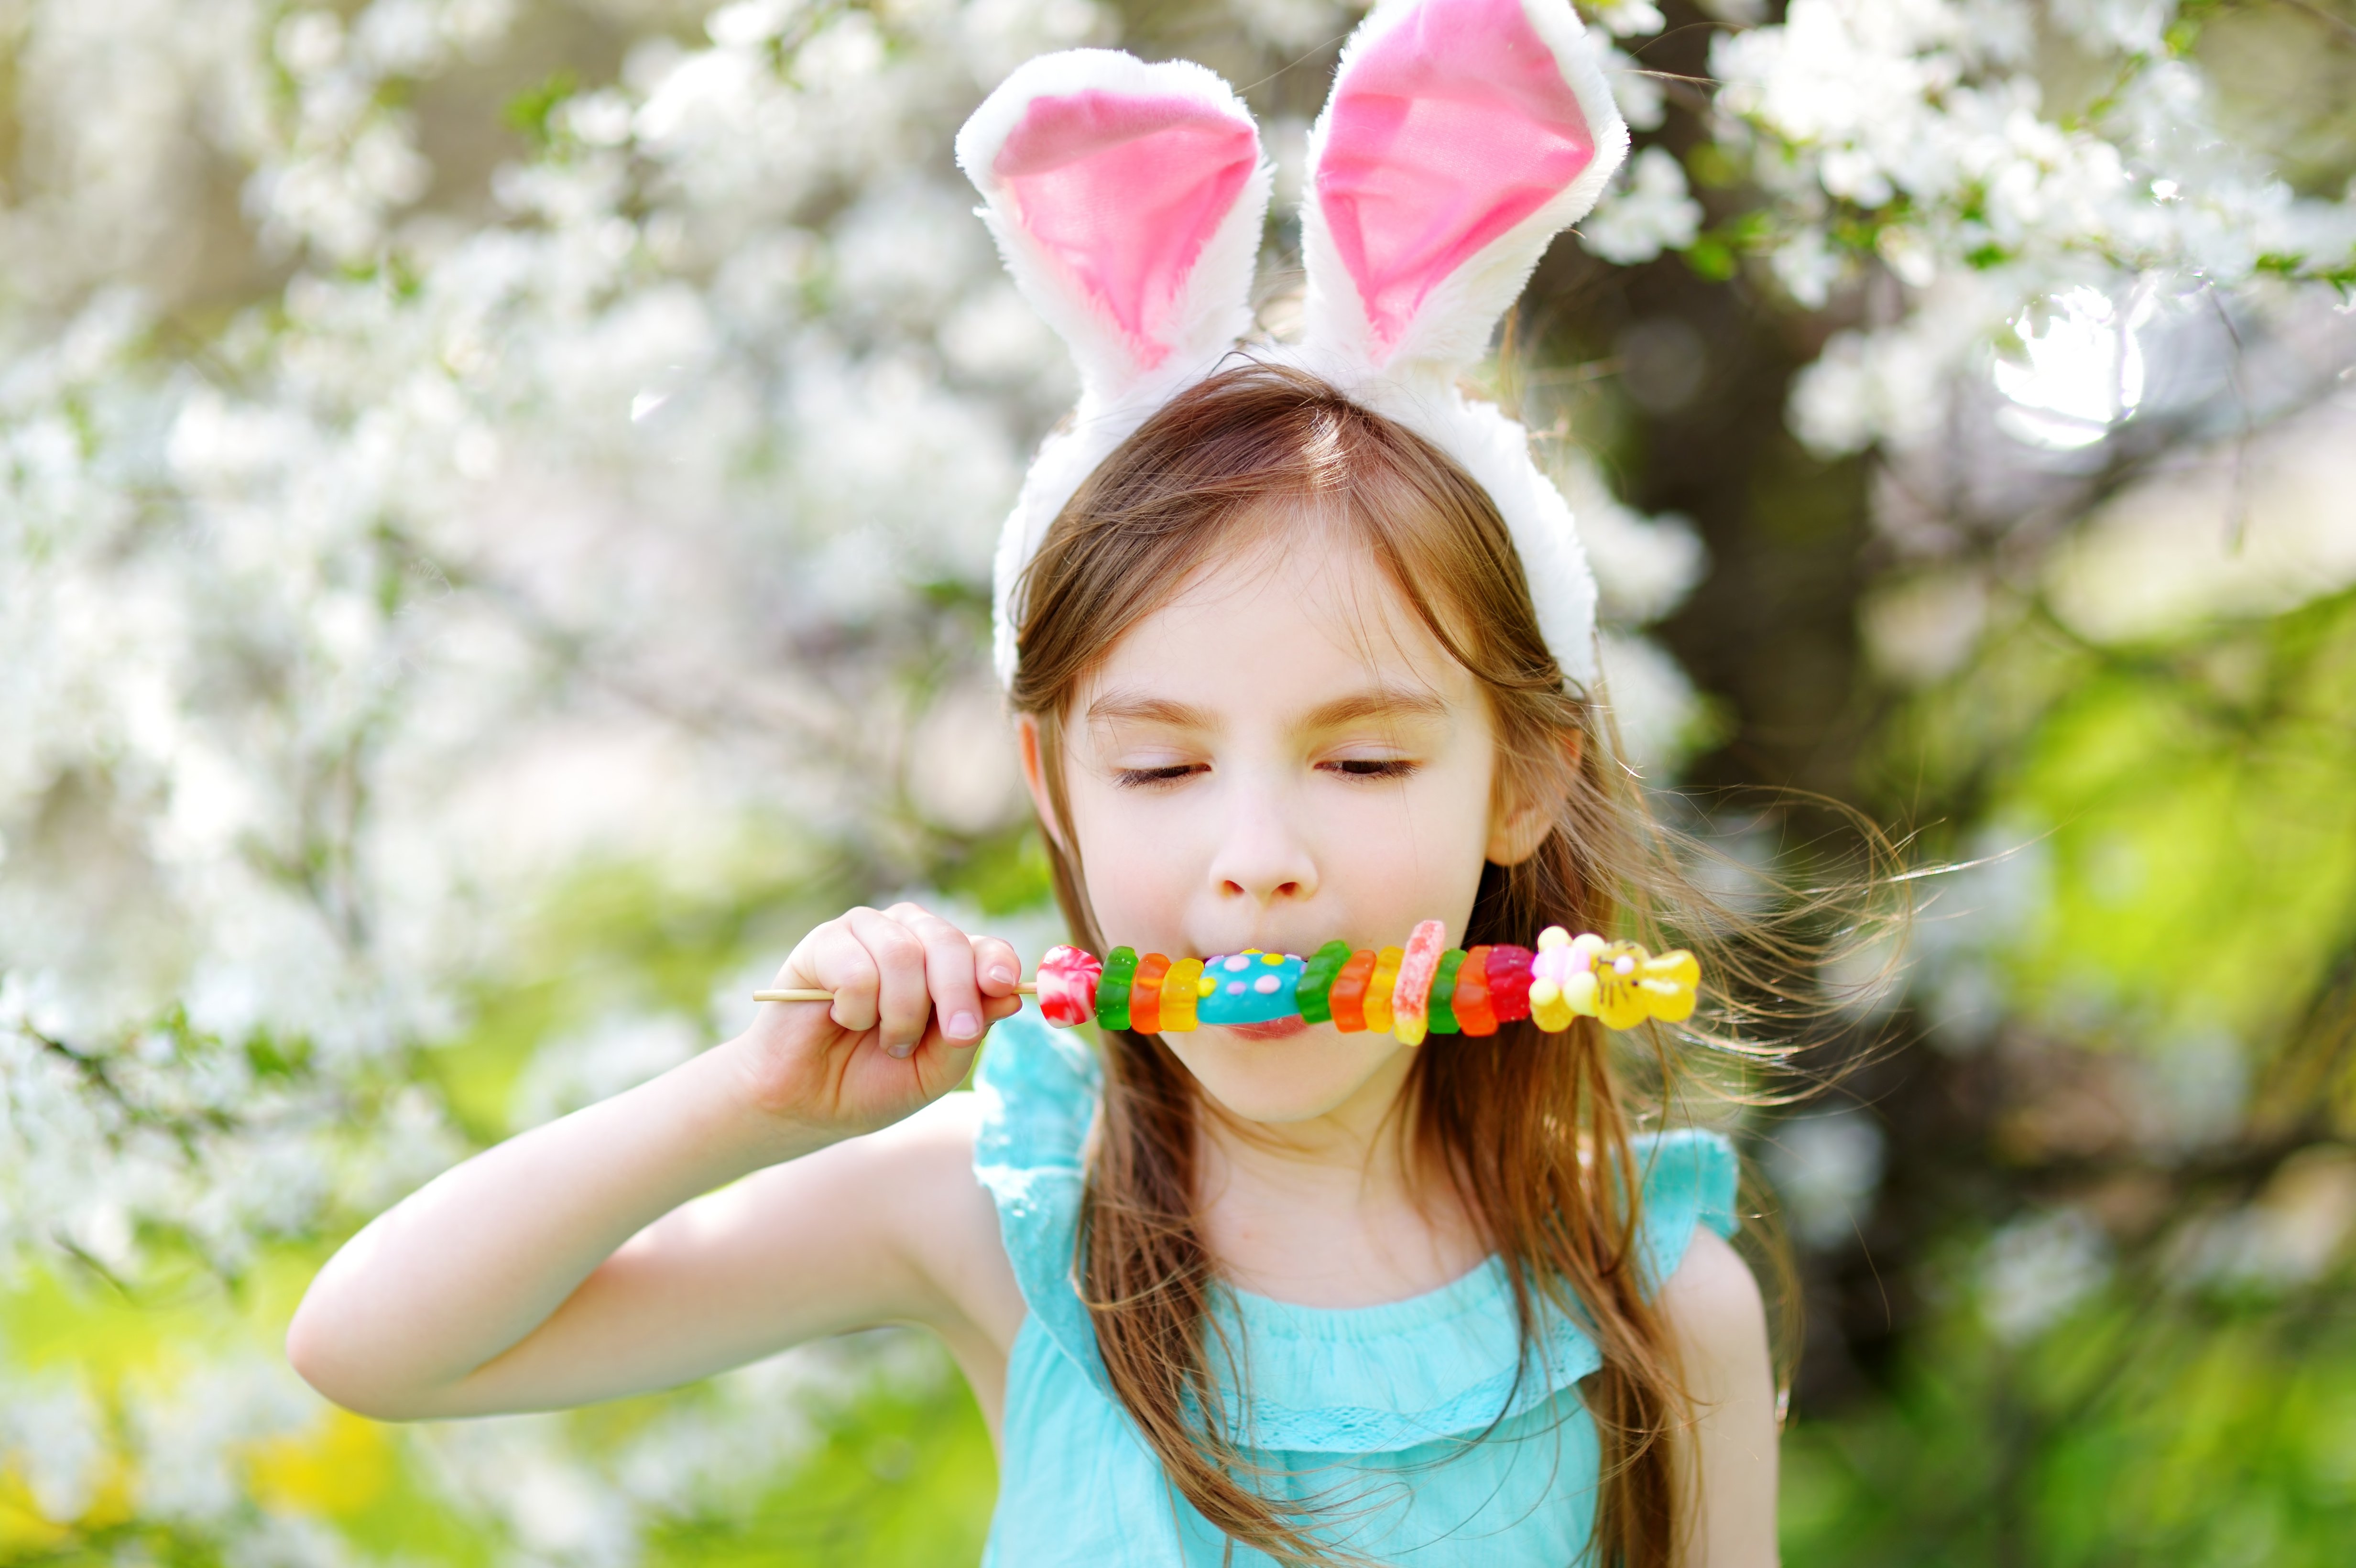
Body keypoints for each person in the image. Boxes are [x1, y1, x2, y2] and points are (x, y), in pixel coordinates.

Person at [290, 2, 1782, 1563]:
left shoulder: (1664, 1305)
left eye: (1360, 758)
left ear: (1524, 784)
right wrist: (747, 1104)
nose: (1255, 858)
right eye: (1159, 764)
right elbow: (373, 1347)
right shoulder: (1003, 1215)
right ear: (1055, 785)